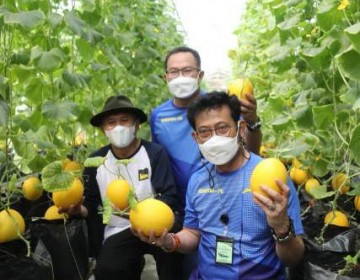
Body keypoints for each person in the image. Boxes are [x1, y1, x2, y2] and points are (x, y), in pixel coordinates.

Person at [140, 91, 305, 279]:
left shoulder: (270, 176)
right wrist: (171, 241)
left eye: (222, 128)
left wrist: (281, 226)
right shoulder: (197, 180)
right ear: (196, 138)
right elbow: (193, 234)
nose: (214, 138)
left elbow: (293, 259)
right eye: (205, 132)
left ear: (240, 128)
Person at [62, 95, 183, 280]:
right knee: (109, 269)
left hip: (156, 226)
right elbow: (93, 204)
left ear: (136, 125)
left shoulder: (154, 153)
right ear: (104, 130)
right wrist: (79, 209)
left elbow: (168, 196)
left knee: (173, 259)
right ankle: (133, 264)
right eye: (111, 123)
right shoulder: (96, 161)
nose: (118, 127)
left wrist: (140, 214)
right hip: (119, 229)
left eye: (124, 120)